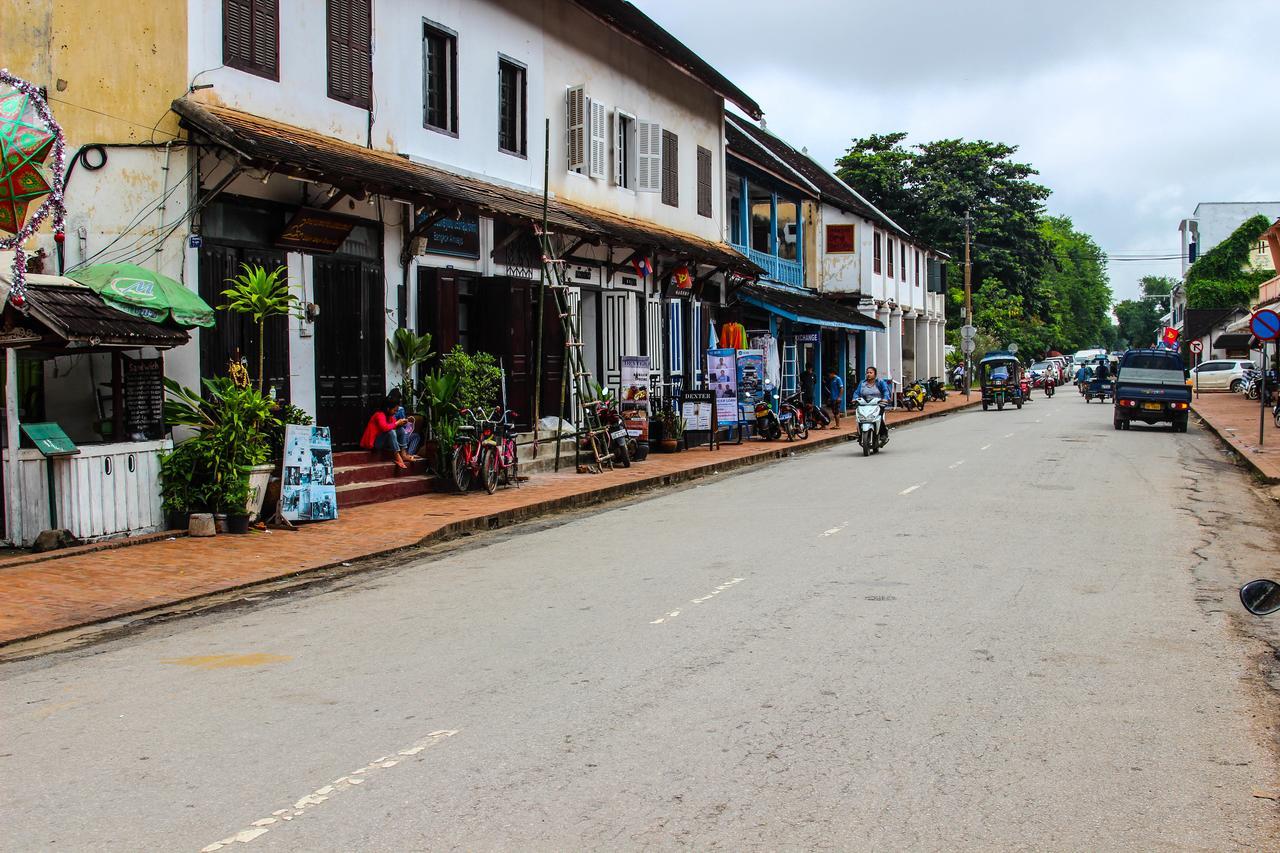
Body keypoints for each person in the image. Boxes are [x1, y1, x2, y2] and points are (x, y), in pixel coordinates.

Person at [360, 393, 421, 469]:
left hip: (385, 442)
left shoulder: (390, 417)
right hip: (375, 443)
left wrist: (400, 424)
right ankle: (397, 455)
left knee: (401, 430)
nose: (395, 413)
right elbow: (385, 428)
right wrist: (396, 423)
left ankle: (403, 453)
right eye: (394, 410)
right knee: (390, 431)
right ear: (388, 409)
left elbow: (394, 427)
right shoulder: (379, 415)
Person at [853, 366, 893, 442]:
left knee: (879, 418)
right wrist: (854, 398)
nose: (868, 374)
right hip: (864, 404)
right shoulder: (862, 383)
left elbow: (886, 392)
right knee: (860, 418)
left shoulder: (880, 382)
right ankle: (859, 433)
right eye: (867, 373)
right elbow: (856, 392)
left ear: (875, 374)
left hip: (878, 404)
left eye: (871, 373)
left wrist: (885, 399)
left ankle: (883, 433)